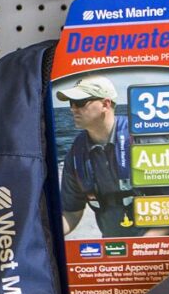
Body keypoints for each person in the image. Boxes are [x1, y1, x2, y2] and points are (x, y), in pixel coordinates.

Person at [58, 75, 136, 236]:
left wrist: (143, 246)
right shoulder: (75, 154)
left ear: (105, 104)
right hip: (113, 250)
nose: (72, 108)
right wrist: (42, 234)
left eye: (79, 102)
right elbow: (71, 213)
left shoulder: (141, 138)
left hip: (161, 249)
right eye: (70, 103)